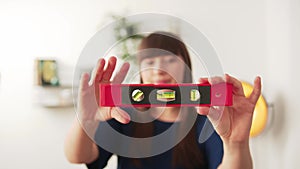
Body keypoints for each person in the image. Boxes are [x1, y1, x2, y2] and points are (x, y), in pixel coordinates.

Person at [64, 32, 261, 169]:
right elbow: (79, 157)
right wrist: (85, 119)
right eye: (150, 61)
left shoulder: (209, 119)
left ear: (186, 66)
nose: (160, 69)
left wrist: (236, 143)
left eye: (170, 59)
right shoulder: (123, 114)